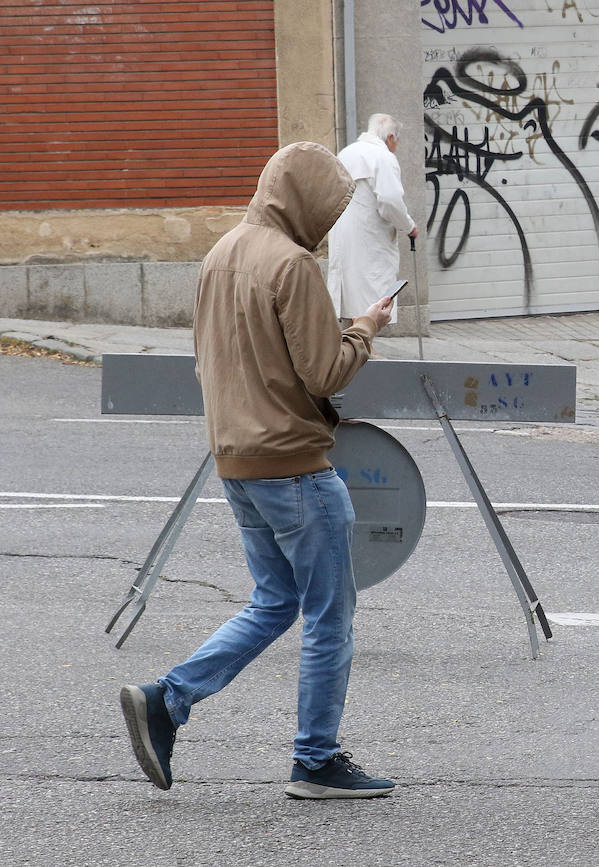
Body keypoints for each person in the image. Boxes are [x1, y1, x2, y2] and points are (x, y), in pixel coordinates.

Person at [119, 141, 398, 800]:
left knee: (275, 599)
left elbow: (216, 358)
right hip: (295, 464)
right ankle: (316, 759)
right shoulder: (292, 262)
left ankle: (167, 699)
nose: (327, 227)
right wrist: (363, 328)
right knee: (331, 615)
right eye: (326, 211)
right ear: (302, 201)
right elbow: (324, 372)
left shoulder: (220, 253)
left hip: (236, 460)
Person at [327, 113, 418, 325]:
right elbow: (390, 200)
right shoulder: (382, 157)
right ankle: (366, 345)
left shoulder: (345, 153)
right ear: (391, 136)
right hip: (369, 236)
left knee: (351, 289)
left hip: (342, 232)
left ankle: (356, 342)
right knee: (370, 290)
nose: (396, 145)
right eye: (397, 140)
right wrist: (409, 225)